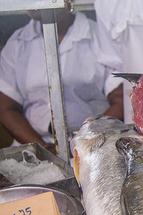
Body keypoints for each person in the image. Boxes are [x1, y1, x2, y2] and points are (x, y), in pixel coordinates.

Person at [0, 3, 123, 149]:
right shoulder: (18, 43)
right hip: (33, 145)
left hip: (95, 144)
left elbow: (121, 101)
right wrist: (42, 148)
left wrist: (85, 143)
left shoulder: (98, 36)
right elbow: (6, 107)